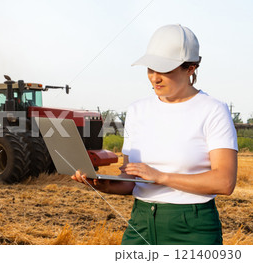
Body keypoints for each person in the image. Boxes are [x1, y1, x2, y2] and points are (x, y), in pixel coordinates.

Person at [72, 24, 238, 245]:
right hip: (140, 222)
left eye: (165, 70)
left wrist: (161, 176)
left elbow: (224, 182)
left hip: (193, 228)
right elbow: (131, 181)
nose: (154, 78)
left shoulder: (213, 110)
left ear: (191, 68)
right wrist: (104, 185)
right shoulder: (137, 110)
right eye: (150, 68)